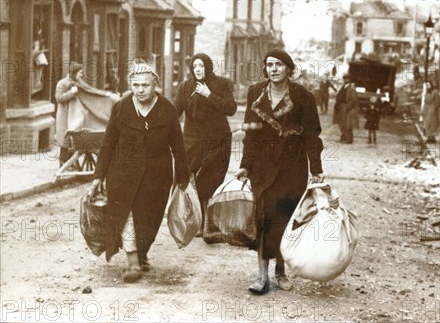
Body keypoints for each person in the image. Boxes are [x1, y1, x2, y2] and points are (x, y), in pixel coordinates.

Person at [234, 49, 324, 294]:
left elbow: (311, 136)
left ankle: (281, 271)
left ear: (288, 68)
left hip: (291, 167)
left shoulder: (302, 96)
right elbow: (250, 135)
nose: (273, 69)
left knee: (285, 216)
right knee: (263, 218)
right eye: (269, 65)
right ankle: (262, 276)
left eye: (278, 65)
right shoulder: (256, 93)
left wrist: (316, 169)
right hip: (262, 167)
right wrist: (244, 164)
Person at [90, 62, 189, 283]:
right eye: (135, 85)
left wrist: (184, 177)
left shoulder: (168, 109)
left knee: (150, 218)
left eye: (145, 85)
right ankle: (133, 261)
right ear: (130, 85)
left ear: (156, 84)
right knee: (127, 214)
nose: (140, 90)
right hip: (122, 172)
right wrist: (98, 176)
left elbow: (178, 145)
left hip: (157, 175)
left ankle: (142, 252)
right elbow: (108, 142)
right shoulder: (121, 107)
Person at [174, 53, 237, 238]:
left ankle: (208, 224)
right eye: (195, 67)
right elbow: (175, 112)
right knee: (189, 180)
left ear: (208, 67)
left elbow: (231, 109)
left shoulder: (220, 84)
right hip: (193, 141)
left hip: (217, 141)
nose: (198, 70)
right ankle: (196, 220)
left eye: (201, 66)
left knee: (210, 180)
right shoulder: (185, 87)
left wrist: (209, 95)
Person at [55, 62, 84, 166]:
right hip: (65, 116)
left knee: (73, 141)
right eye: (80, 72)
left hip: (75, 116)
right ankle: (62, 164)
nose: (81, 75)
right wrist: (71, 92)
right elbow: (59, 98)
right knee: (65, 141)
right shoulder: (62, 83)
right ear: (74, 73)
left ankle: (71, 163)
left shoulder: (79, 82)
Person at [333, 73, 358, 144]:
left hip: (346, 108)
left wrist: (347, 108)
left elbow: (353, 100)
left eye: (346, 78)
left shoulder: (351, 88)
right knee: (341, 124)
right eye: (344, 78)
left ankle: (349, 139)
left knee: (347, 124)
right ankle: (343, 137)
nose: (345, 80)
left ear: (349, 80)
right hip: (341, 107)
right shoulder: (343, 87)